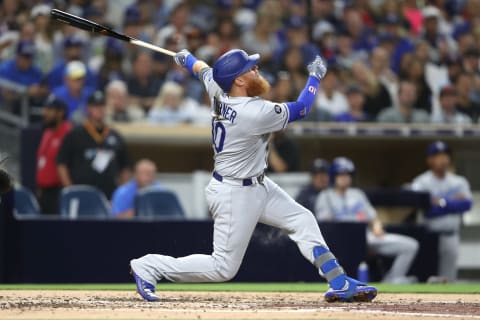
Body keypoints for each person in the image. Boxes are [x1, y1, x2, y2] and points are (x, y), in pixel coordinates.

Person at [130, 48, 377, 303]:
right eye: (250, 68)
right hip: (234, 193)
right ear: (238, 80)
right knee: (223, 267)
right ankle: (149, 266)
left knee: (302, 219)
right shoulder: (254, 112)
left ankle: (338, 281)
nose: (256, 69)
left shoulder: (218, 88)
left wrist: (187, 59)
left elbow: (202, 69)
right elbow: (302, 108)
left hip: (256, 184)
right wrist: (315, 77)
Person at [315, 157, 419, 284]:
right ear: (333, 176)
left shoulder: (357, 194)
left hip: (366, 237)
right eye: (341, 174)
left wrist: (376, 226)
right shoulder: (325, 196)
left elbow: (374, 218)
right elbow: (326, 226)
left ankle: (392, 279)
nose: (345, 178)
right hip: (341, 242)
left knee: (410, 245)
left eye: (348, 174)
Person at [411, 141, 472, 282]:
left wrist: (441, 202)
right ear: (429, 160)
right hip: (429, 237)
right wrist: (452, 202)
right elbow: (427, 210)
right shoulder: (420, 182)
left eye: (445, 155)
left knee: (449, 279)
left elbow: (466, 205)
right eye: (438, 155)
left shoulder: (459, 181)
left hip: (451, 235)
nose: (443, 159)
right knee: (428, 277)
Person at [57, 91, 131, 199]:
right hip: (81, 193)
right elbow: (62, 164)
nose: (99, 109)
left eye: (102, 106)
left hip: (109, 194)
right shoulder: (75, 134)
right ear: (88, 109)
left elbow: (125, 167)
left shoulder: (115, 136)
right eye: (95, 106)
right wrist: (70, 189)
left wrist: (121, 194)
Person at [36, 95, 72, 214]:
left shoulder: (69, 133)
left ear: (60, 113)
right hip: (44, 192)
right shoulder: (47, 132)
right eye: (45, 109)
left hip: (59, 192)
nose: (45, 113)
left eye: (49, 109)